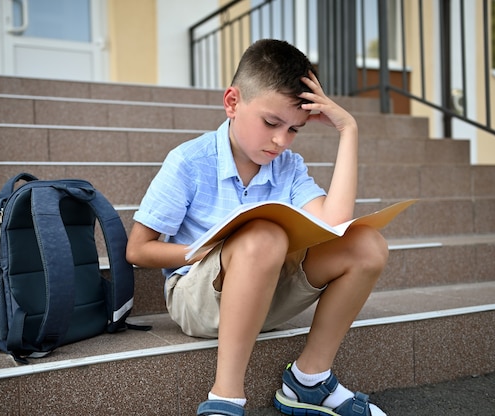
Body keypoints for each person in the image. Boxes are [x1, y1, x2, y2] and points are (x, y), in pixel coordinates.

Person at [126, 39, 388, 416]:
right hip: (198, 300)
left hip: (266, 294)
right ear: (232, 102)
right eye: (271, 123)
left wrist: (348, 130)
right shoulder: (189, 161)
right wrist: (208, 250)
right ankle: (225, 397)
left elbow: (336, 226)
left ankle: (309, 380)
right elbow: (138, 250)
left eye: (295, 129)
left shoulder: (289, 167)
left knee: (367, 245)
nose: (281, 140)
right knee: (264, 235)